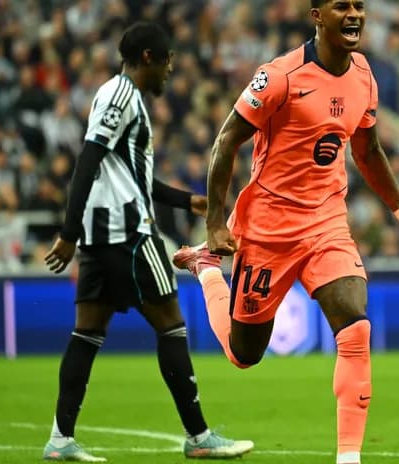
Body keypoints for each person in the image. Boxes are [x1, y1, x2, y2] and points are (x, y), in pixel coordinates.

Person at [173, 2, 399, 463]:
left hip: (326, 223)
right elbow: (225, 141)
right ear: (317, 15)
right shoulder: (280, 76)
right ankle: (206, 269)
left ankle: (349, 457)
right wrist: (215, 223)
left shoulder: (364, 75)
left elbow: (367, 150)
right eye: (342, 6)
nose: (354, 14)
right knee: (243, 354)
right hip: (268, 229)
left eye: (359, 6)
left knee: (355, 324)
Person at [41, 22, 254, 461]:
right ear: (148, 58)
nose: (170, 70)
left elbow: (131, 174)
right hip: (130, 234)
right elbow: (88, 160)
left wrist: (186, 201)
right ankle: (199, 437)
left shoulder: (118, 96)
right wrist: (67, 233)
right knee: (171, 323)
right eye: (168, 61)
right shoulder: (121, 96)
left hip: (101, 238)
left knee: (87, 333)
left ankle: (60, 440)